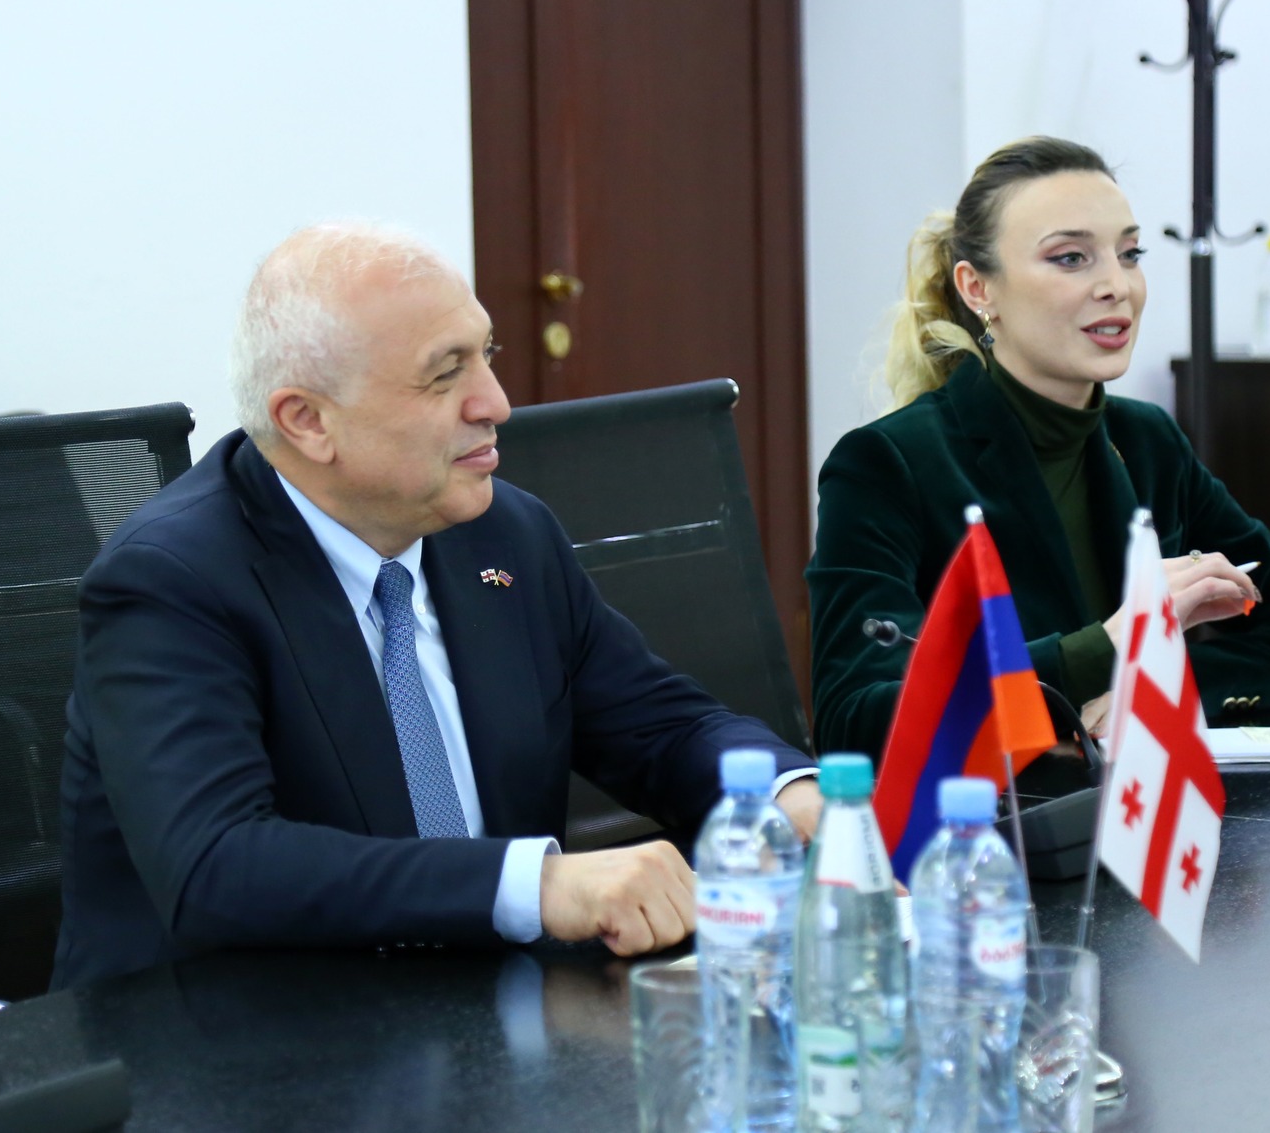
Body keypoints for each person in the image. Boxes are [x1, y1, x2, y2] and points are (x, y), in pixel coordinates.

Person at [53, 223, 821, 989]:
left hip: (487, 1007)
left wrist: (789, 797)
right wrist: (536, 885)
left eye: (486, 353)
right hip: (239, 1027)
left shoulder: (505, 533)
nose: (496, 402)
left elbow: (660, 727)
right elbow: (216, 865)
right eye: (445, 373)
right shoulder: (172, 580)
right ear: (308, 421)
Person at [807, 137, 1270, 761]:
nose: (1117, 285)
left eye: (1129, 254)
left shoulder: (1148, 440)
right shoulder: (887, 463)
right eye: (1071, 258)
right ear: (978, 289)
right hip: (1002, 815)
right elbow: (856, 718)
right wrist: (1107, 646)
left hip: (1146, 806)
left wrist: (1158, 687)